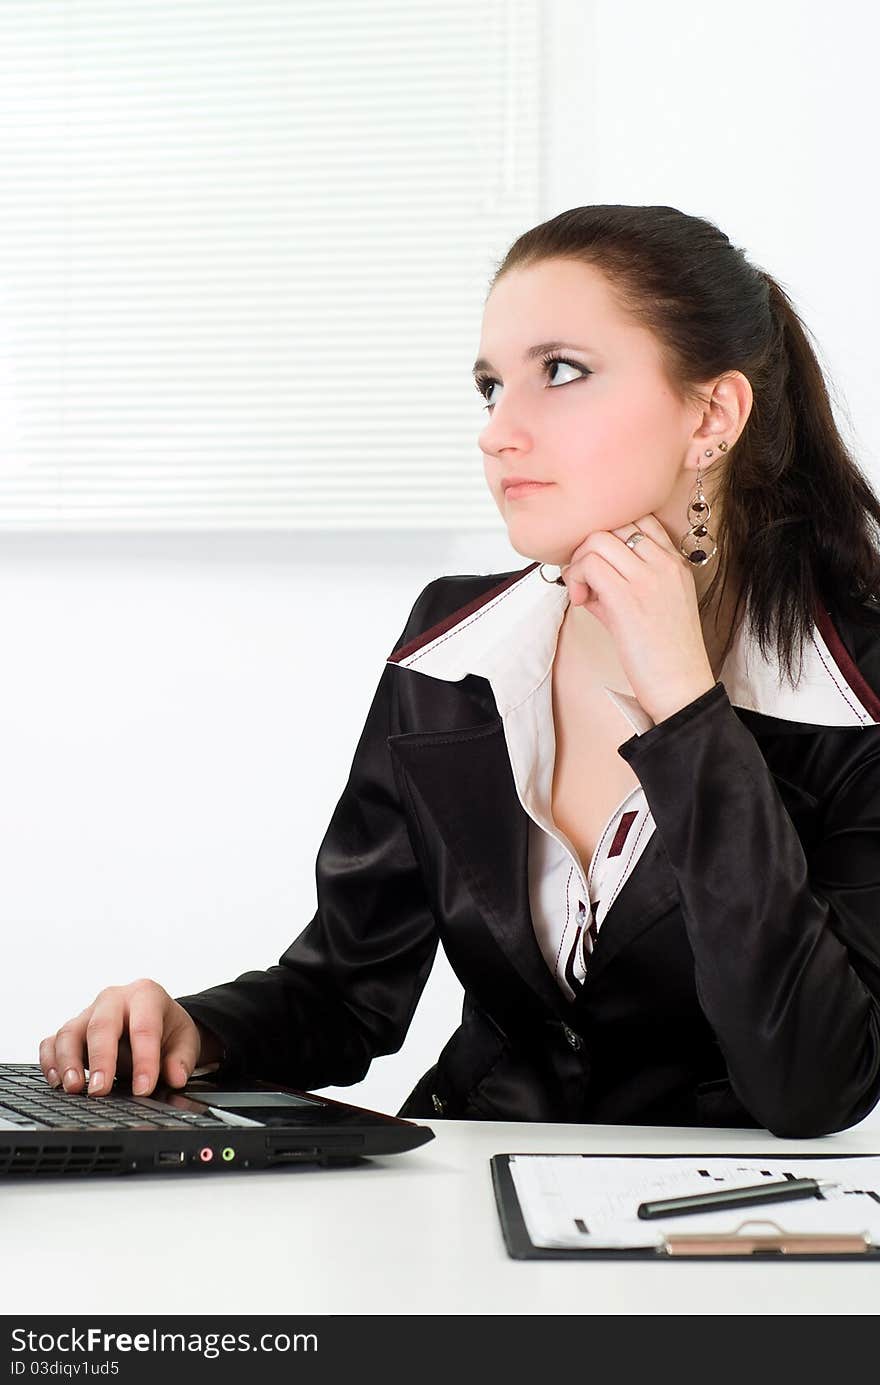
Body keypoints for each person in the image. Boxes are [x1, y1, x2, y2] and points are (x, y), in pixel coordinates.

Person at [38, 204, 880, 1139]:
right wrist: (191, 1028)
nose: (498, 432)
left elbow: (813, 1084)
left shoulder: (856, 688)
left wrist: (685, 705)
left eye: (560, 372)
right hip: (455, 1201)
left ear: (714, 414)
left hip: (718, 1234)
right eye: (490, 387)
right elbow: (348, 991)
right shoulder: (454, 647)